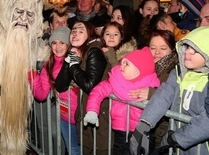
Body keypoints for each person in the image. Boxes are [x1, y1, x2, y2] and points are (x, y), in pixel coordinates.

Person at [130, 26, 209, 155]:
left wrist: (177, 137)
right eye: (187, 47)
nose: (188, 52)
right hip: (176, 148)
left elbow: (207, 120)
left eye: (195, 49)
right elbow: (163, 96)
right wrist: (144, 125)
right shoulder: (178, 73)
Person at [84, 47, 160, 155]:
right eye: (123, 62)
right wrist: (92, 111)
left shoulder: (152, 86)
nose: (121, 66)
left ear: (139, 70)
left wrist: (152, 95)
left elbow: (165, 100)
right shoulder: (116, 80)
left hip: (142, 133)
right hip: (120, 132)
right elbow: (98, 91)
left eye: (126, 64)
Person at [55, 21, 107, 154]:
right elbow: (60, 86)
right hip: (83, 111)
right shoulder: (76, 53)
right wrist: (69, 62)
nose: (75, 34)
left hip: (98, 114)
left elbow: (90, 85)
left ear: (89, 34)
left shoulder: (94, 51)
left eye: (80, 31)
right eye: (73, 31)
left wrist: (73, 66)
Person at [30, 27, 71, 154]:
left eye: (62, 42)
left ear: (68, 44)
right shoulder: (48, 64)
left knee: (70, 144)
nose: (58, 47)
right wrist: (32, 75)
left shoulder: (75, 61)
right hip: (62, 112)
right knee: (56, 135)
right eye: (54, 43)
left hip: (73, 114)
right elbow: (41, 94)